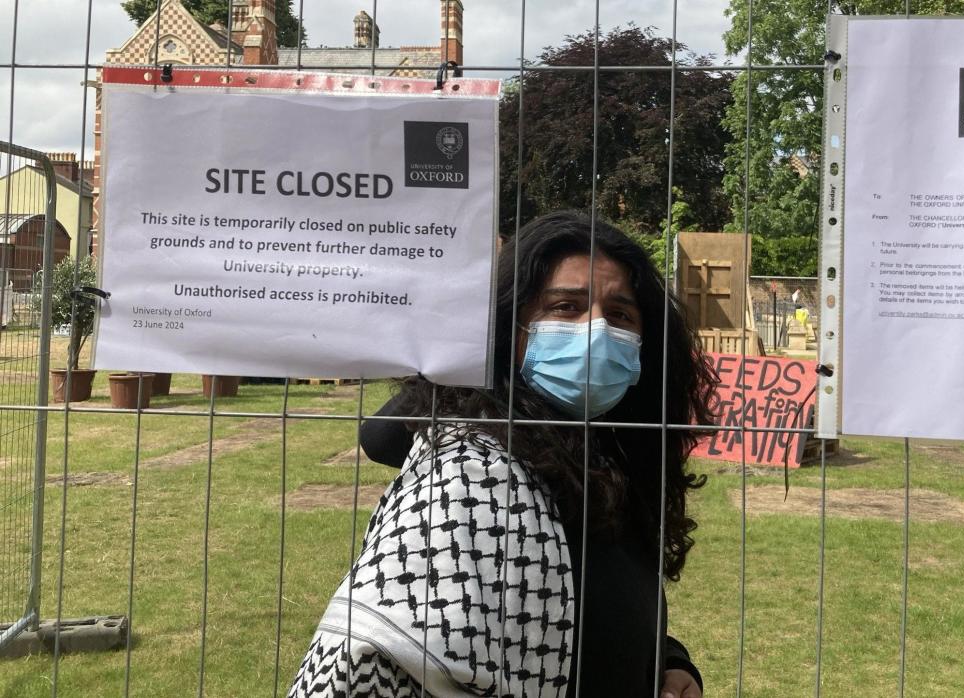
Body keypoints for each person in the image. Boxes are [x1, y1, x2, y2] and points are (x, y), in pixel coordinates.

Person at [289, 211, 714, 697]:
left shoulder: (615, 457)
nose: (596, 330)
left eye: (619, 314)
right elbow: (381, 435)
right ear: (508, 330)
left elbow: (603, 603)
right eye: (565, 306)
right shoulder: (474, 478)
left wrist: (669, 660)